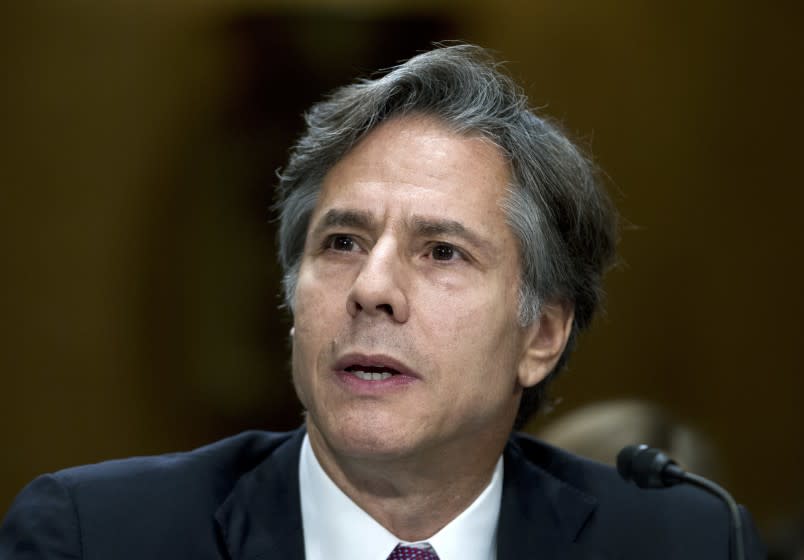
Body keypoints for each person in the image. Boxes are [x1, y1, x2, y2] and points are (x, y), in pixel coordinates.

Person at [1, 44, 765, 559]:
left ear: (542, 334)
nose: (371, 289)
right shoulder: (94, 537)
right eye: (341, 243)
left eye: (441, 252)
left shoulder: (680, 541)